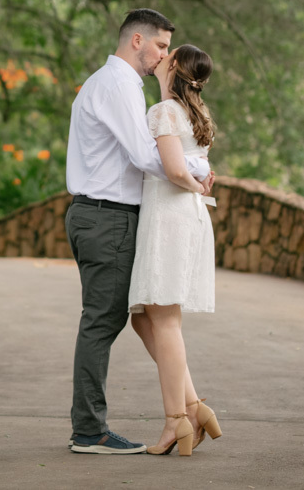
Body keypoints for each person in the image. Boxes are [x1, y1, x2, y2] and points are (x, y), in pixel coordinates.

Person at [65, 9, 212, 455]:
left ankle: (190, 409)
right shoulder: (118, 85)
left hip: (110, 215)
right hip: (106, 216)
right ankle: (89, 431)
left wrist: (190, 165)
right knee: (103, 320)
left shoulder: (117, 84)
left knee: (145, 315)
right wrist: (196, 169)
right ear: (136, 40)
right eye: (161, 46)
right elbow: (145, 155)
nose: (164, 55)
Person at [128, 44, 222, 456]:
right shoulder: (197, 113)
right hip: (184, 215)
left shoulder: (165, 111)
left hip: (170, 216)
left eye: (169, 54)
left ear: (176, 67)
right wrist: (197, 184)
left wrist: (195, 185)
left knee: (164, 319)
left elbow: (174, 169)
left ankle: (175, 420)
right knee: (145, 319)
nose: (161, 57)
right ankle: (195, 408)